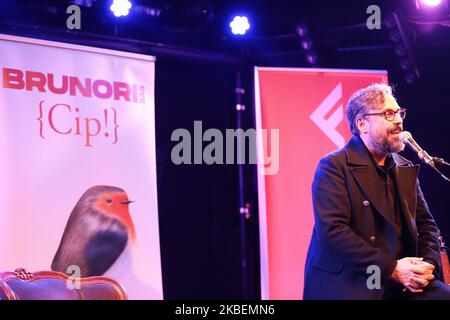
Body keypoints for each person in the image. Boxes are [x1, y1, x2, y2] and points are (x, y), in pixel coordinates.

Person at [303, 83, 450, 300]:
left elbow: (426, 225)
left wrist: (427, 265)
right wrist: (392, 269)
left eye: (399, 113)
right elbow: (333, 232)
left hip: (403, 279)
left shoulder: (403, 166)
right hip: (356, 278)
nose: (399, 120)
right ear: (362, 124)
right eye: (388, 114)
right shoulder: (333, 166)